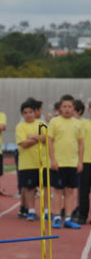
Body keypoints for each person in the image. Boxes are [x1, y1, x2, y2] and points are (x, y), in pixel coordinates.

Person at [47, 94, 84, 229]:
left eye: (69, 106)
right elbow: (50, 141)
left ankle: (68, 217)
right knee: (57, 191)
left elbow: (81, 144)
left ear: (74, 108)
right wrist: (53, 160)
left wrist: (80, 162)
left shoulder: (78, 124)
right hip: (58, 163)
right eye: (64, 106)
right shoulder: (54, 122)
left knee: (69, 191)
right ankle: (57, 216)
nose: (67, 109)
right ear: (60, 108)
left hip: (72, 163)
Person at [15, 100, 43, 221]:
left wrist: (34, 137)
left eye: (31, 112)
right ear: (22, 114)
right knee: (29, 188)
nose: (28, 114)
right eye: (25, 112)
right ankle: (30, 211)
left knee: (44, 187)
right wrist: (38, 139)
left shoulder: (42, 124)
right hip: (27, 163)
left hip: (42, 162)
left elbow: (47, 138)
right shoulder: (20, 126)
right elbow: (23, 143)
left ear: (35, 112)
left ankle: (45, 211)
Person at [76, 99, 91, 225]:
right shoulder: (83, 124)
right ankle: (82, 215)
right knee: (84, 191)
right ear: (89, 110)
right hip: (85, 161)